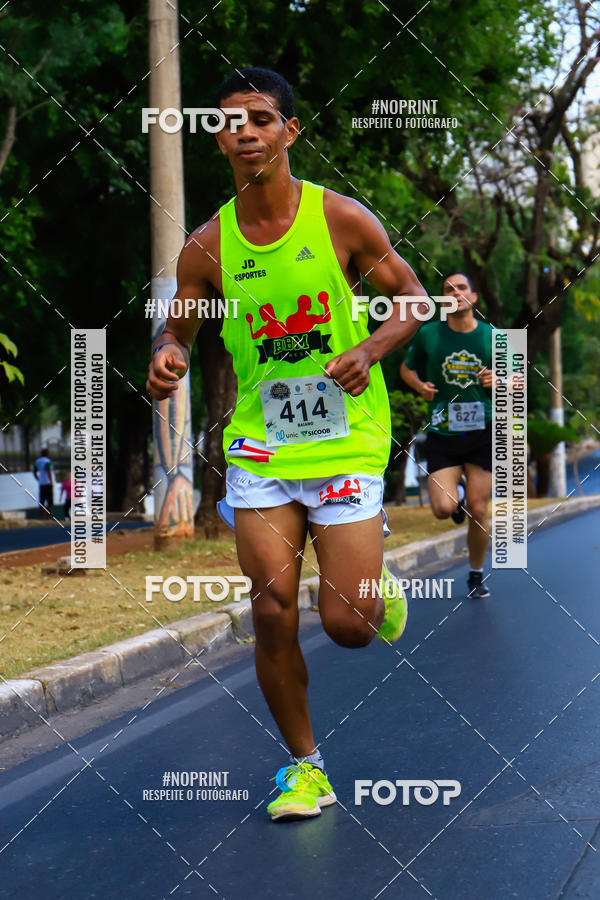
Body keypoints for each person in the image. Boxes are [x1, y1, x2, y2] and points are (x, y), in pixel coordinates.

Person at [146, 67, 428, 822]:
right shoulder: (206, 246)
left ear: (289, 132)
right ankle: (307, 769)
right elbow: (180, 325)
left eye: (260, 119)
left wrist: (370, 351)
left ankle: (375, 588)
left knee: (347, 626)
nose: (243, 131)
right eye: (229, 121)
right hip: (262, 449)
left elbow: (413, 301)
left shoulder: (341, 220)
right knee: (271, 606)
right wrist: (167, 355)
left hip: (343, 442)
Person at [400, 272, 495, 600]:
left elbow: (516, 376)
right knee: (442, 508)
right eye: (447, 289)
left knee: (479, 509)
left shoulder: (490, 335)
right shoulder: (429, 335)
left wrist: (499, 380)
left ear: (474, 297)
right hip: (442, 431)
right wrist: (419, 386)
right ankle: (459, 498)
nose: (455, 293)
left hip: (483, 431)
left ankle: (475, 575)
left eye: (462, 288)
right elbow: (406, 369)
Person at [33, 447, 54, 515]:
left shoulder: (38, 461)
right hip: (47, 483)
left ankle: (41, 514)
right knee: (49, 500)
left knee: (42, 499)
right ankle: (49, 514)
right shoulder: (47, 461)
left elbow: (34, 471)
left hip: (41, 483)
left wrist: (38, 478)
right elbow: (49, 471)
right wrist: (51, 481)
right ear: (47, 454)